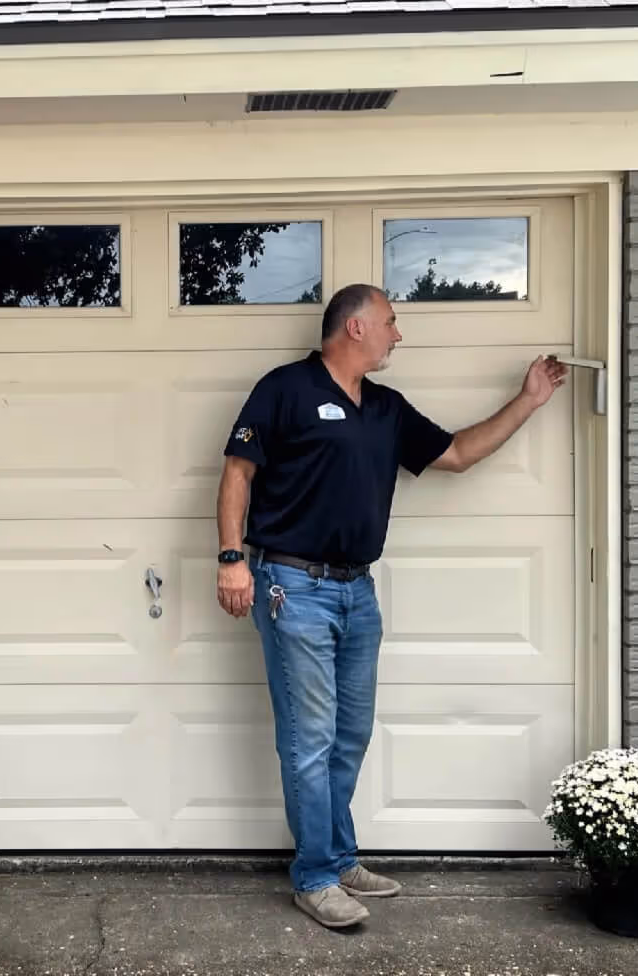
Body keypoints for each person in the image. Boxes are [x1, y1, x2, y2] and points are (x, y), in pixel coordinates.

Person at [215, 283, 568, 929]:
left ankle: (339, 856)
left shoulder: (383, 407)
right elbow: (239, 471)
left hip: (358, 591)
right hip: (291, 587)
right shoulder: (285, 388)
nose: (397, 334)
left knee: (348, 735)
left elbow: (457, 453)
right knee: (309, 739)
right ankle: (315, 875)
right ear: (355, 327)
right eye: (391, 322)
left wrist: (529, 400)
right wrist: (232, 559)